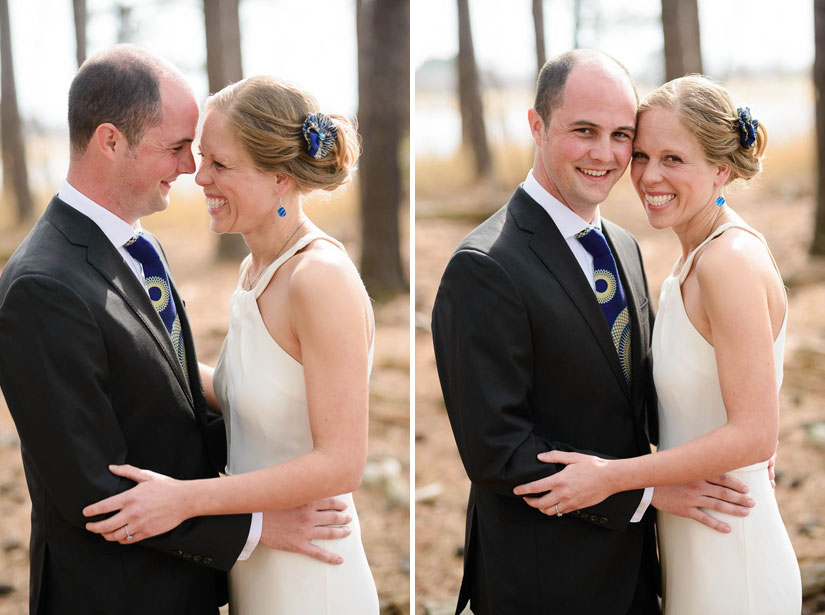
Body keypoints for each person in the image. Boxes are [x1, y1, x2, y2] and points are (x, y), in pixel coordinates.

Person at [0, 46, 352, 615]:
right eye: (176, 147)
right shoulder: (41, 286)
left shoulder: (141, 247)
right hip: (116, 594)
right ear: (111, 141)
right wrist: (256, 528)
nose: (191, 168)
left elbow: (173, 405)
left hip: (192, 581)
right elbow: (94, 493)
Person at [431, 50, 758, 615]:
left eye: (620, 135)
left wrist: (734, 436)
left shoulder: (624, 247)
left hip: (642, 570)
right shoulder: (484, 267)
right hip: (544, 579)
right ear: (537, 125)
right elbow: (496, 452)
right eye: (584, 131)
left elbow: (640, 401)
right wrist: (647, 491)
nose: (604, 154)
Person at [81, 75, 380, 614]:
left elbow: (342, 463)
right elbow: (248, 389)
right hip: (258, 559)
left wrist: (182, 499)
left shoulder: (320, 278)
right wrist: (123, 344)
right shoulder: (254, 269)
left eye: (220, 164)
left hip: (314, 570)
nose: (199, 177)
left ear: (280, 176)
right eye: (200, 157)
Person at [514, 74, 802, 614]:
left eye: (674, 159)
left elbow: (755, 433)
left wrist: (614, 478)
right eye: (641, 154)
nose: (648, 175)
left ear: (722, 169)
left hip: (732, 549)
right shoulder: (690, 261)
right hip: (690, 540)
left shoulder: (728, 262)